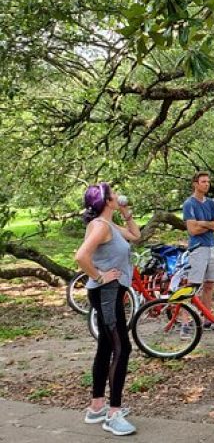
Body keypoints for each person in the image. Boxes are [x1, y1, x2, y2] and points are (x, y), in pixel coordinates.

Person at [74, 182, 140, 436]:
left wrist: (127, 214)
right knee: (122, 347)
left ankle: (97, 406)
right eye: (113, 194)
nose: (118, 195)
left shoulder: (108, 224)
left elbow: (135, 236)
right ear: (107, 201)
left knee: (105, 346)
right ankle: (113, 413)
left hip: (108, 292)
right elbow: (81, 256)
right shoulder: (101, 227)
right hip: (107, 292)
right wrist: (101, 277)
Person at [182, 171, 214, 328]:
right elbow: (193, 230)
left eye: (208, 181)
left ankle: (207, 318)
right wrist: (210, 225)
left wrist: (203, 223)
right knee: (193, 285)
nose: (207, 184)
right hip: (198, 249)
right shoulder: (189, 204)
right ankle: (185, 320)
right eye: (203, 181)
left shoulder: (211, 203)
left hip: (212, 248)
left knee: (209, 285)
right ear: (195, 184)